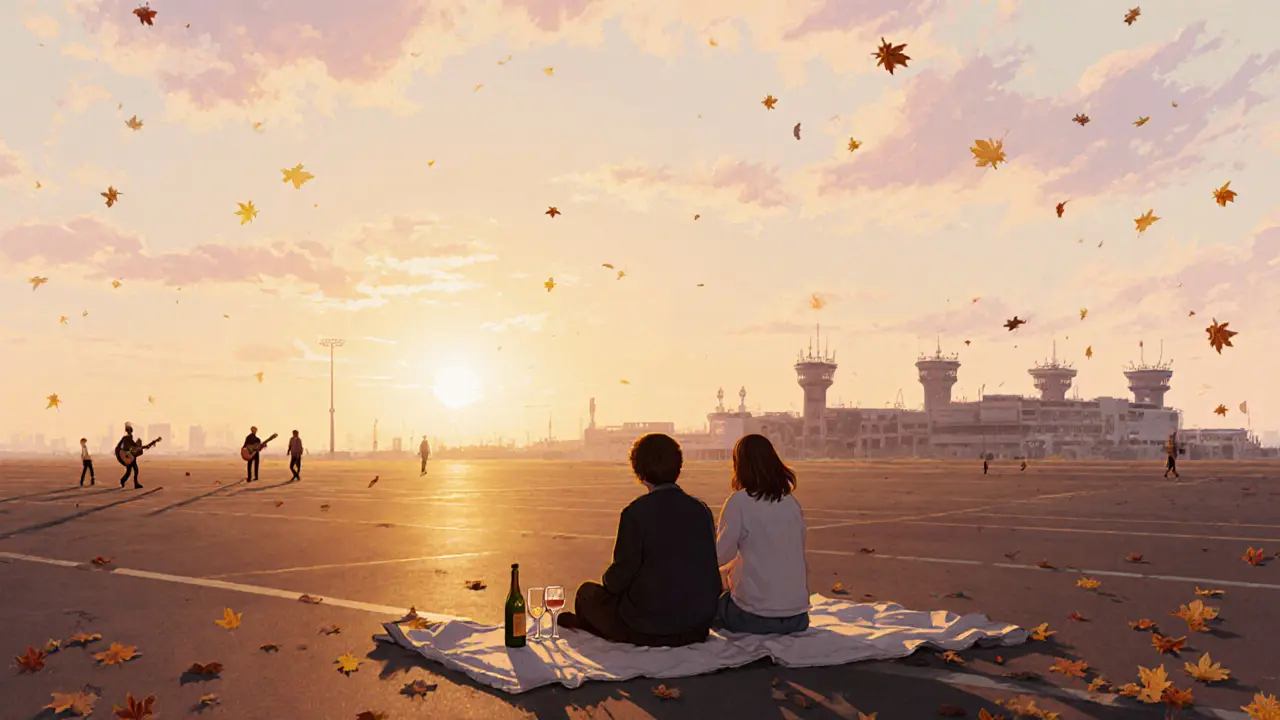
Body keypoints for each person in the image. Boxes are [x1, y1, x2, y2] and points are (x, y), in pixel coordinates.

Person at [557, 433, 721, 646]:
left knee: (587, 594)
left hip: (648, 626)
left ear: (639, 471)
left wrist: (609, 581)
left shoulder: (635, 513)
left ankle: (599, 627)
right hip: (696, 626)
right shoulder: (701, 510)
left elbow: (618, 579)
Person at [714, 434, 810, 634]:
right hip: (798, 617)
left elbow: (719, 556)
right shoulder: (791, 503)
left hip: (755, 615)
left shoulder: (740, 502)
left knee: (706, 605)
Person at [115, 422, 142, 489]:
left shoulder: (124, 438)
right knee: (135, 470)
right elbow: (133, 445)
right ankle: (135, 484)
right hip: (129, 456)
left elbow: (119, 446)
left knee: (129, 471)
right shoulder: (129, 437)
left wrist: (121, 454)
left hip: (127, 456)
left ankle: (123, 480)